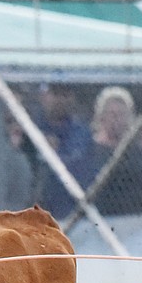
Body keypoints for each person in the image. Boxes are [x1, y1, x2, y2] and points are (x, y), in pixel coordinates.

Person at [78, 86, 142, 216]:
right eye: (112, 114)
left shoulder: (136, 153)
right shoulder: (89, 150)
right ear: (101, 116)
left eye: (122, 114)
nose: (116, 119)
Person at [30, 82, 92, 219]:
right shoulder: (30, 128)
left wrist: (56, 154)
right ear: (43, 96)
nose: (60, 100)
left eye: (65, 95)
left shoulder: (81, 132)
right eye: (55, 94)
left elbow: (82, 170)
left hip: (70, 209)